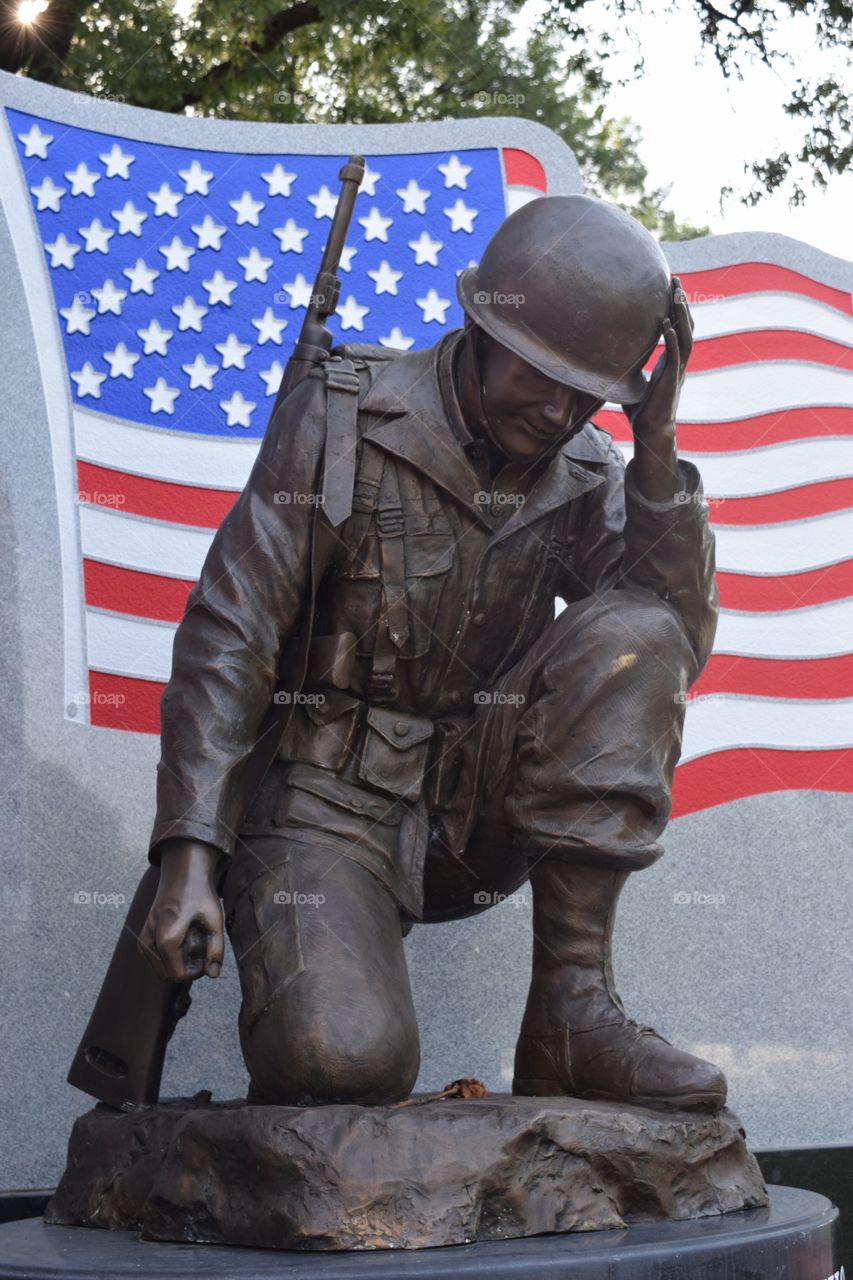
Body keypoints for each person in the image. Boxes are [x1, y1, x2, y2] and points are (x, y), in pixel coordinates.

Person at [139, 194, 726, 1114]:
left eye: (593, 393)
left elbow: (674, 642)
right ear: (481, 324)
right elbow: (231, 630)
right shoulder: (340, 417)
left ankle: (571, 1015)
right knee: (341, 1065)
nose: (564, 410)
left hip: (469, 808)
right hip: (322, 805)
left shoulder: (586, 471)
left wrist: (655, 454)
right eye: (543, 375)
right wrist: (188, 854)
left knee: (635, 631)